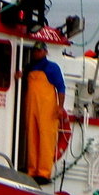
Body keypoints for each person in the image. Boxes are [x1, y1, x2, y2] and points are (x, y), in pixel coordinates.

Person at [23, 41, 66, 185]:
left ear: (45, 52)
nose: (37, 53)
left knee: (46, 138)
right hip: (31, 106)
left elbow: (61, 88)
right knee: (32, 136)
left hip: (47, 108)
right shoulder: (29, 67)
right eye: (35, 51)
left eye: (40, 51)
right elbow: (22, 76)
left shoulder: (52, 67)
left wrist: (60, 107)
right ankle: (32, 169)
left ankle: (43, 172)